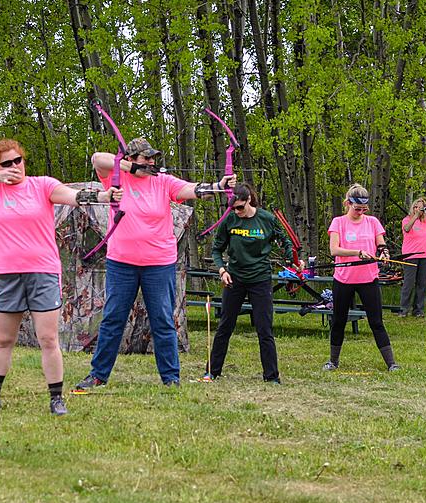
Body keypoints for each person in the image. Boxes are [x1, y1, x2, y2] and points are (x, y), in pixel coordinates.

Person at [0, 138, 119, 416]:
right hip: (6, 272)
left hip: (42, 270)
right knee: (4, 339)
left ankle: (56, 398)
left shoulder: (41, 185)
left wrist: (104, 197)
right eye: (7, 163)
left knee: (48, 339)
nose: (15, 167)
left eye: (18, 160)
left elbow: (73, 197)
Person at [72, 137, 236, 389]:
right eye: (146, 158)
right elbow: (97, 158)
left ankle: (171, 378)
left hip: (159, 264)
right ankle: (98, 375)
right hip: (122, 263)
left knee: (162, 320)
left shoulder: (163, 182)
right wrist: (129, 168)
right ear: (131, 159)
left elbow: (192, 189)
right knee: (113, 319)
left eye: (153, 158)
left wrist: (218, 185)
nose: (151, 162)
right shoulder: (118, 178)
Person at [206, 184, 295, 384]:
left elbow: (285, 241)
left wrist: (292, 259)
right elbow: (216, 250)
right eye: (233, 208)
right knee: (225, 326)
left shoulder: (267, 219)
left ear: (249, 201)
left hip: (260, 280)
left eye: (240, 207)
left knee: (264, 329)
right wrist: (222, 270)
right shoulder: (229, 220)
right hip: (234, 279)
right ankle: (212, 371)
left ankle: (271, 376)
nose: (237, 212)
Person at [322, 184, 400, 372]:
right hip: (344, 279)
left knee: (376, 322)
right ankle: (333, 361)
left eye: (364, 209)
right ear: (348, 204)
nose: (361, 212)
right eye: (357, 208)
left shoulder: (372, 222)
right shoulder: (338, 222)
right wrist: (357, 252)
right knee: (339, 320)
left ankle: (392, 364)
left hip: (368, 280)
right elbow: (334, 249)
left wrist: (384, 252)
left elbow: (381, 243)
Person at [399, 197, 426, 317]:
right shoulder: (406, 220)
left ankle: (418, 310)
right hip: (411, 255)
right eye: (417, 206)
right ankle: (403, 309)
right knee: (409, 283)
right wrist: (415, 216)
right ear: (413, 208)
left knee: (421, 284)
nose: (419, 209)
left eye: (421, 207)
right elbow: (407, 229)